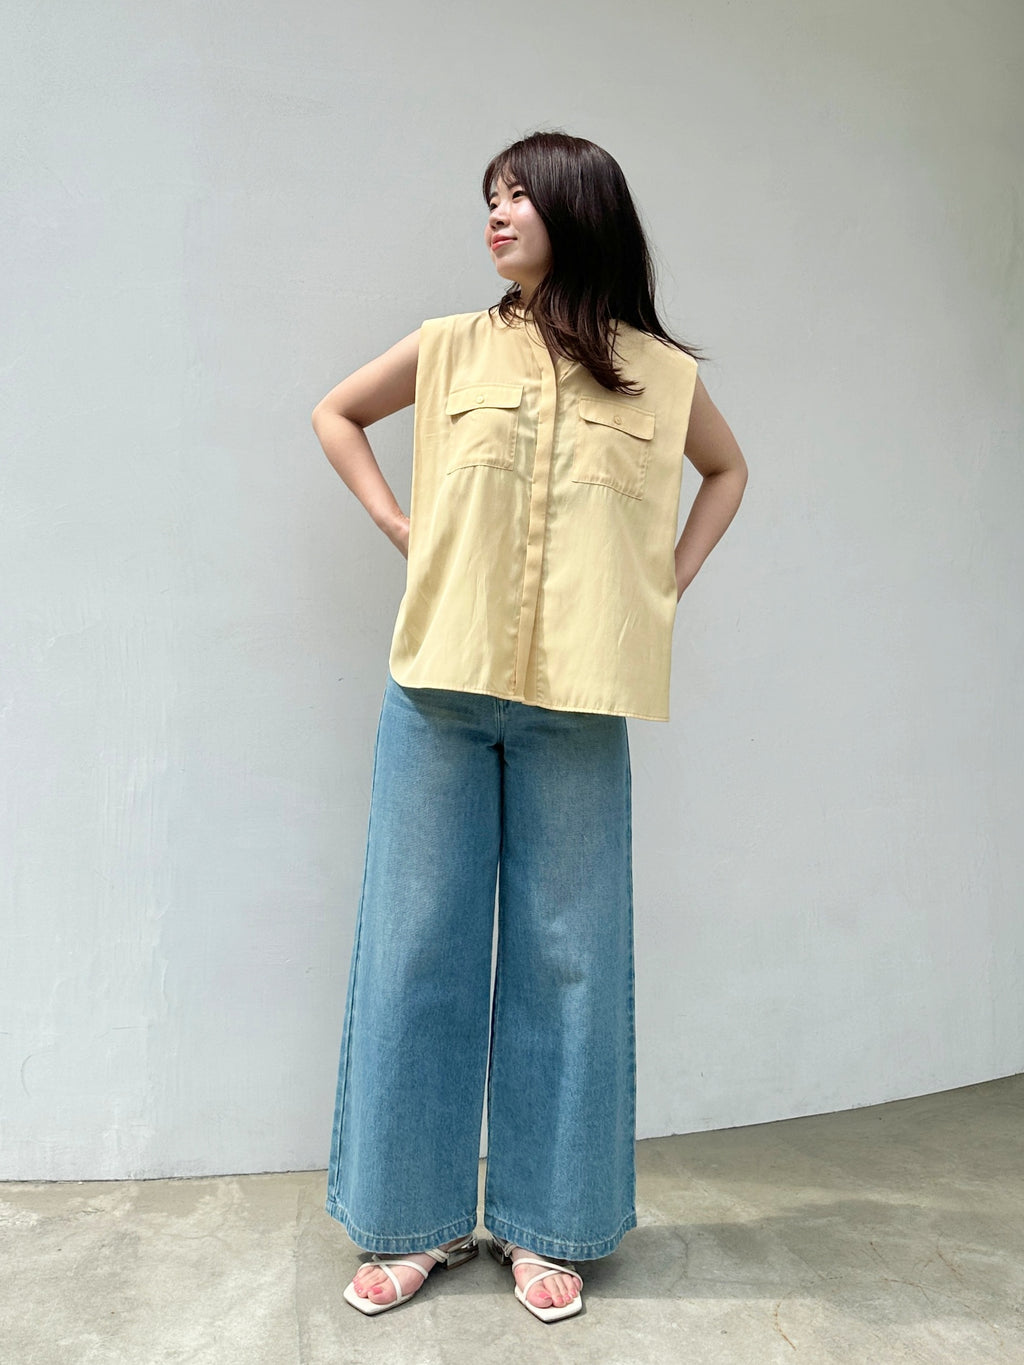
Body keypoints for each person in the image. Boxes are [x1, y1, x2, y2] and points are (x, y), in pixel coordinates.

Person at [311, 129, 747, 1323]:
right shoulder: (449, 345)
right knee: (416, 949)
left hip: (577, 703)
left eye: (518, 197)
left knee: (569, 960)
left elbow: (726, 473)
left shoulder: (657, 374)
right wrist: (404, 531)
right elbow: (336, 414)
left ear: (577, 209)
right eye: (490, 199)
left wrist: (660, 587)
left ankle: (545, 1227)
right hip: (438, 690)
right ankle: (409, 1223)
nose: (496, 215)